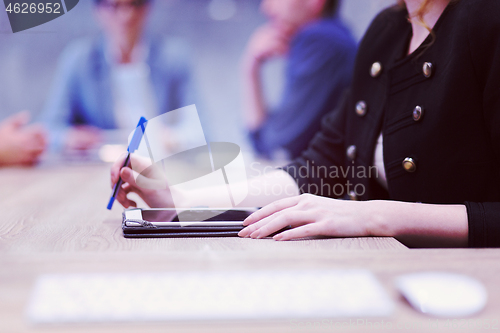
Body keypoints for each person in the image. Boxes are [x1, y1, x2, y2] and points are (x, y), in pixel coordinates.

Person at [111, 0, 500, 248]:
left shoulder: (488, 19)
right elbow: (320, 167)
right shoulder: (388, 29)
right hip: (388, 267)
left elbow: (277, 138)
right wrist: (181, 201)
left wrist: (374, 215)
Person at [41, 0, 199, 152]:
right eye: (114, 6)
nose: (126, 16)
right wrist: (67, 138)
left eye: (134, 4)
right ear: (98, 11)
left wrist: (173, 138)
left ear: (147, 8)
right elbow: (48, 129)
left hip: (163, 163)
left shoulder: (173, 57)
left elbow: (201, 129)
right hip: (99, 168)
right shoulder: (80, 59)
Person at [242, 0, 356, 160]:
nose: (266, 8)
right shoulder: (335, 36)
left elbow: (277, 146)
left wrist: (250, 67)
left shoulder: (319, 40)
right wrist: (251, 67)